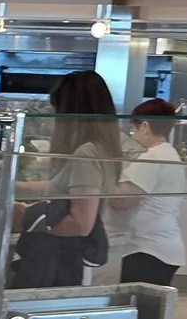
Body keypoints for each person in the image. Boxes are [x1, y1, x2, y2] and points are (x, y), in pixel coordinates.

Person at [16, 70, 123, 286]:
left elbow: (80, 224)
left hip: (61, 265)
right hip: (64, 263)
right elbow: (69, 188)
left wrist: (25, 216)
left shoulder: (87, 153)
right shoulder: (100, 148)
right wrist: (14, 186)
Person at [113, 99, 187, 288]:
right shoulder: (169, 153)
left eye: (134, 129)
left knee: (139, 311)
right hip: (163, 245)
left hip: (149, 249)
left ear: (144, 126)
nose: (133, 134)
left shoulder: (153, 157)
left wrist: (98, 181)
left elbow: (122, 200)